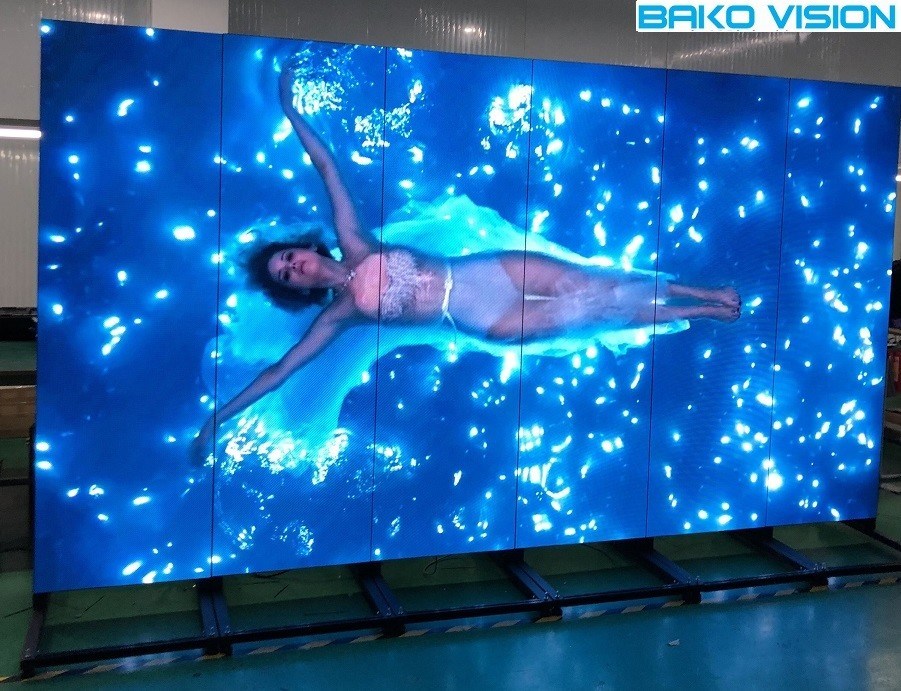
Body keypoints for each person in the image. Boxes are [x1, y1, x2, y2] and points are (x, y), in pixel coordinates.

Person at [192, 64, 741, 456]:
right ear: (299, 288)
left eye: (289, 257)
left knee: (597, 283)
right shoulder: (340, 316)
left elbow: (326, 166)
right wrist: (217, 420)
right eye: (286, 276)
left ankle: (700, 292)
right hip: (484, 319)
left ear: (306, 249)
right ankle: (701, 312)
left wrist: (290, 108)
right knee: (596, 311)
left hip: (486, 268)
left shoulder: (356, 240)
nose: (294, 267)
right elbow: (281, 372)